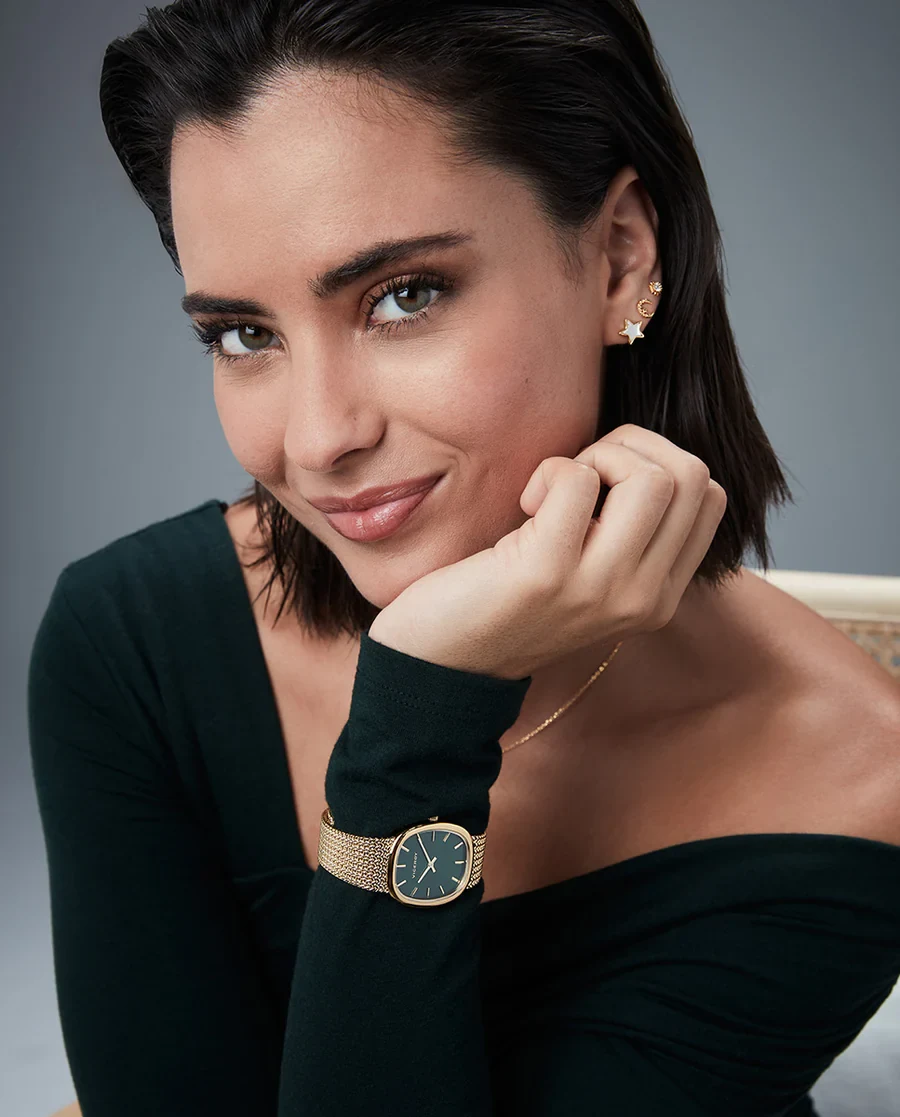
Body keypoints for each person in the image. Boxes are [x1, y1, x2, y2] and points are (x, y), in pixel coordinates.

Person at [29, 2, 900, 1115]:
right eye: (244, 334)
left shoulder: (854, 783)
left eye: (404, 296)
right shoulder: (138, 643)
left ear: (619, 259)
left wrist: (420, 717)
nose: (318, 439)